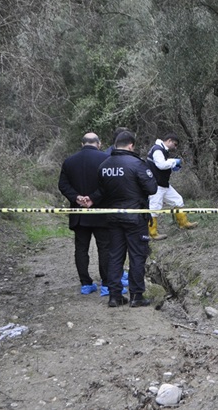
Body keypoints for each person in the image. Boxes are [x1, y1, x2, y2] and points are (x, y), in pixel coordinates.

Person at [96, 130, 157, 308]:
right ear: (131, 145)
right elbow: (152, 188)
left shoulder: (104, 165)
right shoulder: (138, 164)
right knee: (137, 256)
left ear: (116, 144)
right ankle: (136, 296)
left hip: (113, 218)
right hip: (135, 218)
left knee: (115, 256)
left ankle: (114, 296)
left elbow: (101, 192)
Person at [58, 132, 111, 296]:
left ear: (82, 144)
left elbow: (63, 185)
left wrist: (77, 198)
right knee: (105, 248)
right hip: (101, 212)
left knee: (81, 249)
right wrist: (93, 199)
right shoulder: (106, 160)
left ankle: (86, 284)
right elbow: (109, 185)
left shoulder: (69, 161)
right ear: (99, 143)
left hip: (79, 212)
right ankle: (107, 284)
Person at [146, 132, 197, 240]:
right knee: (154, 208)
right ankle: (152, 233)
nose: (175, 147)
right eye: (175, 144)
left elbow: (162, 165)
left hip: (164, 184)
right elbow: (161, 165)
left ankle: (183, 223)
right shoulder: (158, 150)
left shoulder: (161, 150)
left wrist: (172, 166)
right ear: (169, 141)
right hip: (156, 185)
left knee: (177, 200)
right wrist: (173, 162)